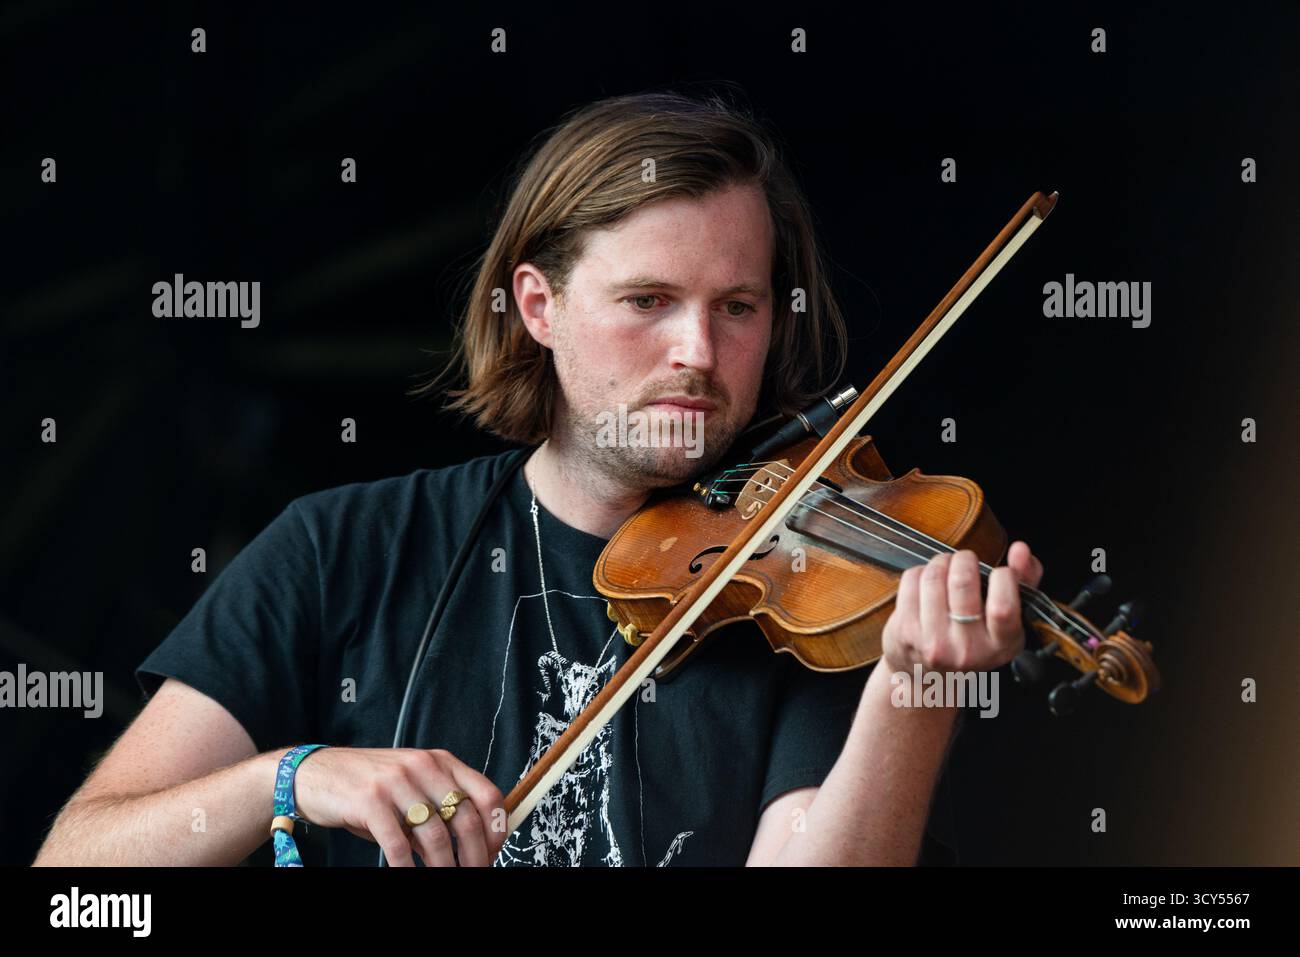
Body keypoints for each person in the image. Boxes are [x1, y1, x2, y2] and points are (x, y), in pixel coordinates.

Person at [33, 90, 1042, 867]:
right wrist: (290, 780)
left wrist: (914, 687)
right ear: (538, 304)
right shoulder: (345, 549)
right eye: (648, 299)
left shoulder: (809, 586)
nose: (697, 350)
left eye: (737, 307)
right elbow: (78, 872)